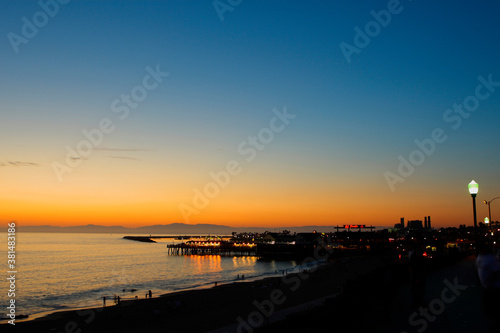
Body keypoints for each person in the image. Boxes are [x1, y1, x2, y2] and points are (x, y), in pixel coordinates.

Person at [408, 239, 426, 309]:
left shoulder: (415, 255)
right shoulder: (417, 254)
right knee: (418, 289)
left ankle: (417, 303)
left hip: (417, 275)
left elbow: (415, 265)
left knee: (416, 289)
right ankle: (419, 303)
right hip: (418, 275)